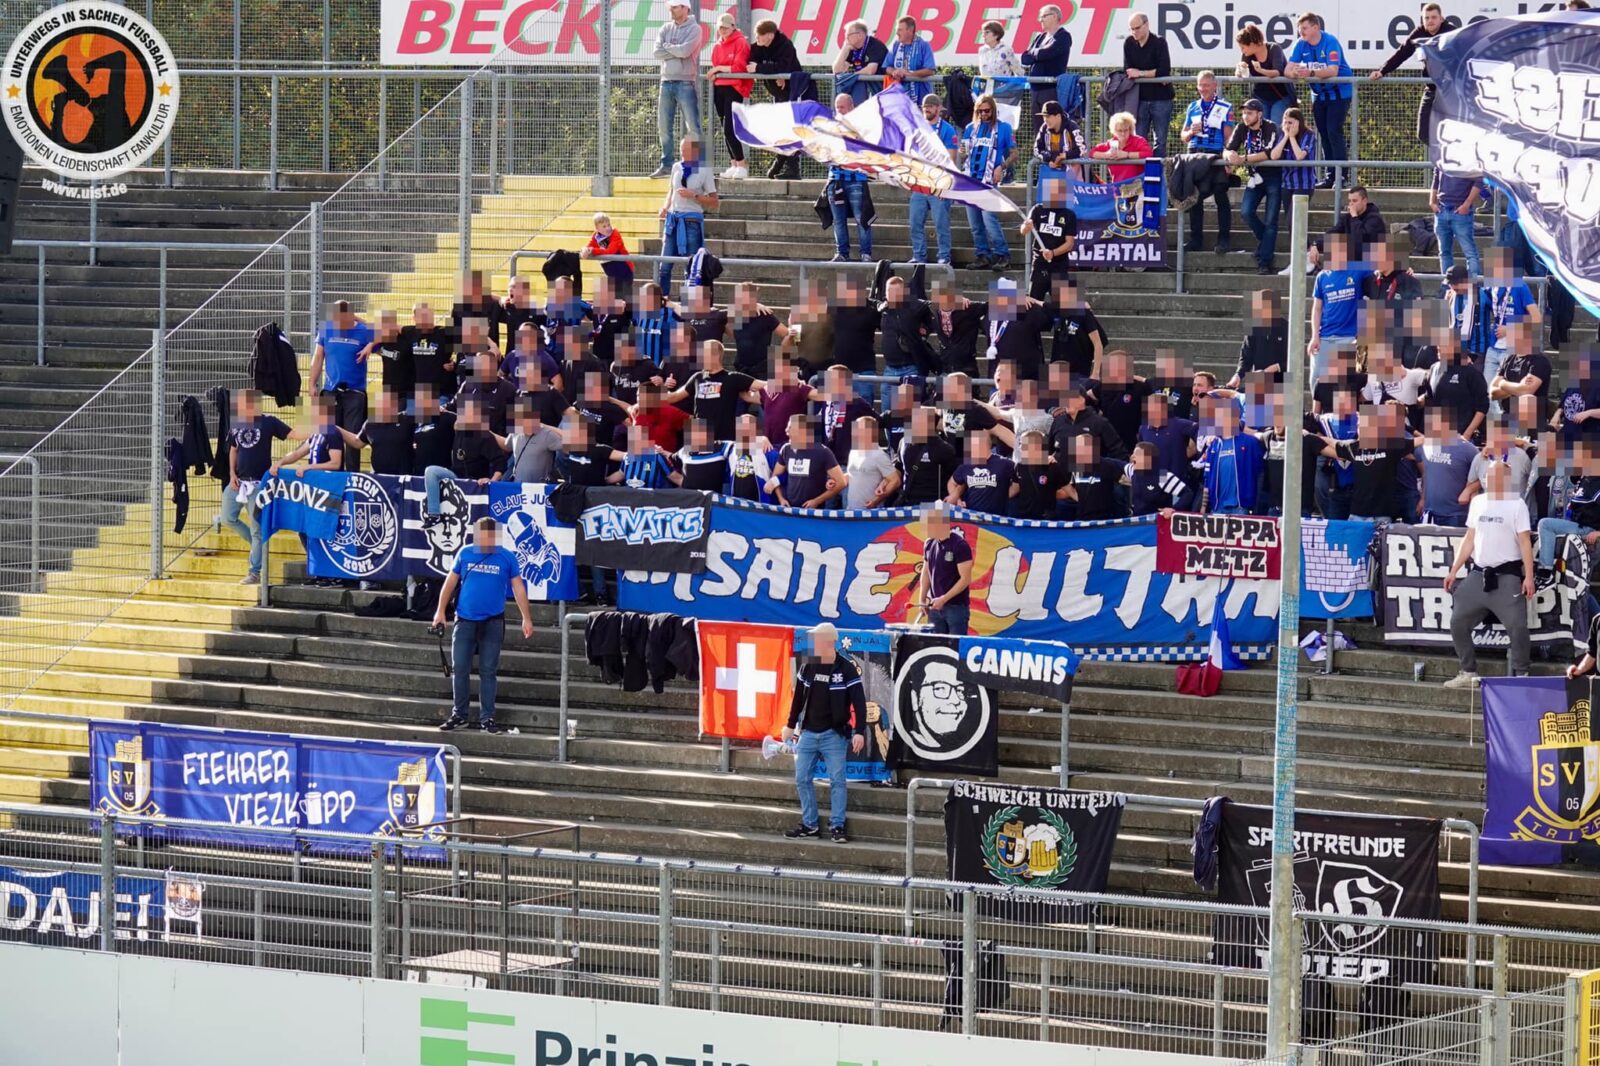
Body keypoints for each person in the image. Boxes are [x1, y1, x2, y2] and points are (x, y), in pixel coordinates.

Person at [435, 517, 534, 734]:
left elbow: (518, 588)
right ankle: (459, 714)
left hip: (493, 621)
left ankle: (487, 717)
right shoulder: (466, 553)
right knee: (459, 668)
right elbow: (450, 582)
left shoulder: (506, 557)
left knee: (488, 671)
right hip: (465, 619)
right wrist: (440, 611)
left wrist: (526, 617)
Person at [1442, 460, 1535, 688]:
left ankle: (1522, 674)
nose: (1490, 480)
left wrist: (1529, 576)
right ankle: (1468, 671)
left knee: (1518, 627)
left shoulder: (1517, 505)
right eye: (1488, 476)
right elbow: (1469, 538)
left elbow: (1525, 542)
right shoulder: (1478, 502)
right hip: (1479, 573)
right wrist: (1453, 570)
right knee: (1458, 622)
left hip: (1507, 576)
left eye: (1495, 476)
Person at [782, 621, 867, 843]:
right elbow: (798, 698)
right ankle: (810, 824)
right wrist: (791, 725)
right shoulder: (808, 666)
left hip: (835, 734)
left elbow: (859, 701)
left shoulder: (846, 668)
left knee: (837, 781)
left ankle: (837, 825)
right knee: (801, 778)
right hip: (809, 732)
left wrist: (859, 731)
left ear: (828, 642)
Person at [223, 390, 298, 586]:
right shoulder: (237, 424)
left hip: (258, 484)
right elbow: (233, 449)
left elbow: (292, 434)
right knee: (228, 518)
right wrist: (231, 473)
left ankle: (254, 571)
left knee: (257, 530)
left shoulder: (269, 421)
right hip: (237, 482)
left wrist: (317, 428)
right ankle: (259, 546)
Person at [1371, 3, 1460, 143]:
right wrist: (1382, 71)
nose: (1430, 21)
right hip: (1431, 89)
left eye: (1433, 17)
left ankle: (1450, 159)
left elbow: (1466, 53)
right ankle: (1443, 156)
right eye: (1426, 18)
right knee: (1423, 134)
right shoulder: (1419, 33)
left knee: (1454, 133)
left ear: (1441, 18)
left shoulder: (1452, 32)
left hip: (1451, 91)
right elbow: (1402, 53)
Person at [1285, 11, 1353, 189]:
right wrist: (1295, 73)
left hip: (1339, 93)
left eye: (1305, 28)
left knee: (1333, 131)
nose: (1302, 32)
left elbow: (1332, 70)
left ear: (1316, 27)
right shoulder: (1300, 44)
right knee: (1323, 133)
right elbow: (1288, 69)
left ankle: (1341, 176)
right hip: (1318, 96)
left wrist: (1311, 73)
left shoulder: (1330, 42)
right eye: (1300, 29)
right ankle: (1330, 176)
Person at [308, 301, 374, 472]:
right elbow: (318, 357)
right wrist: (311, 383)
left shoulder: (364, 331)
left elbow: (386, 330)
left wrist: (371, 344)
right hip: (330, 391)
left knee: (353, 438)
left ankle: (352, 477)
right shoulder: (326, 328)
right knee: (328, 435)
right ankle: (331, 477)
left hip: (355, 393)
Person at [1178, 71, 1235, 255]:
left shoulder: (1225, 106)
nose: (1203, 89)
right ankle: (1196, 240)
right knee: (1194, 198)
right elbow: (1184, 137)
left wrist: (1228, 158)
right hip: (1194, 154)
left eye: (1206, 85)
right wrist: (1191, 133)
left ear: (1214, 86)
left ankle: (1224, 239)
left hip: (1215, 155)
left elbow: (1229, 137)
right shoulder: (1192, 107)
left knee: (1220, 194)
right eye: (1200, 85)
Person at [960, 94, 1017, 270]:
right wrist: (962, 152)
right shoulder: (970, 128)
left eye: (987, 111)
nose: (984, 114)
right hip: (971, 179)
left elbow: (1015, 153)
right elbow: (965, 153)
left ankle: (1002, 254)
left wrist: (1002, 166)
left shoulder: (1004, 128)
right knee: (974, 222)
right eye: (980, 111)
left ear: (993, 110)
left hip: (988, 180)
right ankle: (982, 254)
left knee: (988, 217)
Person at [662, 339, 758, 443]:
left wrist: (752, 396)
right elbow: (673, 397)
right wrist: (662, 386)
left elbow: (764, 386)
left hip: (723, 442)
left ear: (716, 356)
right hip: (699, 442)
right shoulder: (697, 377)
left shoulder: (733, 378)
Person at [657, 137, 719, 299]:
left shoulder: (704, 169)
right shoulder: (677, 167)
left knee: (691, 266)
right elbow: (671, 191)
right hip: (673, 220)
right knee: (664, 265)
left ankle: (688, 303)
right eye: (682, 151)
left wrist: (695, 195)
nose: (683, 154)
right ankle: (663, 300)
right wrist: (665, 207)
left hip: (691, 220)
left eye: (687, 151)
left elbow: (714, 201)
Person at [1225, 99, 1281, 276]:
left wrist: (1243, 159)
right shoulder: (1241, 128)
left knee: (1271, 221)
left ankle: (1264, 262)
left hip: (1273, 177)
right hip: (1254, 177)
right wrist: (1230, 155)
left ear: (1259, 114)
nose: (1245, 116)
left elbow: (1269, 153)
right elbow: (1227, 149)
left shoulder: (1271, 127)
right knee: (1246, 212)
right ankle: (1265, 242)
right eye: (1244, 113)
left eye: (1249, 113)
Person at [650, 0, 704, 180]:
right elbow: (656, 52)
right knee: (664, 126)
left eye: (675, 7)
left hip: (686, 82)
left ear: (685, 7)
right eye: (670, 7)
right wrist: (676, 50)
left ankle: (696, 166)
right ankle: (666, 165)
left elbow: (685, 51)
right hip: (666, 82)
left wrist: (668, 48)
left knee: (693, 126)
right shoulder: (665, 27)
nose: (671, 10)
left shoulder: (695, 29)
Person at [1308, 234, 1372, 387]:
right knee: (1316, 381)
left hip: (1349, 337)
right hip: (1324, 337)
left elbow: (1384, 268)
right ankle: (1317, 412)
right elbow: (1317, 309)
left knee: (1347, 383)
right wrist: (1314, 336)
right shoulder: (1322, 276)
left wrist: (1404, 270)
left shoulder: (1358, 269)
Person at [748, 19, 809, 178]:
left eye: (759, 36)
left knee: (789, 129)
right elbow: (750, 62)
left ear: (769, 35)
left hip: (792, 93)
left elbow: (784, 67)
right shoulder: (758, 47)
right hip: (777, 94)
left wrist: (762, 69)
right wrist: (771, 72)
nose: (757, 39)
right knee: (780, 130)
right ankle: (783, 165)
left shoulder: (785, 45)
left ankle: (788, 167)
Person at [909, 94, 959, 266]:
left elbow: (950, 158)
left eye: (931, 105)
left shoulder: (947, 129)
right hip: (919, 183)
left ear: (939, 108)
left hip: (939, 183)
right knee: (915, 221)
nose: (927, 108)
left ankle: (944, 255)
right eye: (924, 106)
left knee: (941, 222)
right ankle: (918, 255)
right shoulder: (917, 129)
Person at [826, 93, 873, 262]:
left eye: (842, 107)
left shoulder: (860, 126)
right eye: (837, 107)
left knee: (862, 219)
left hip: (856, 179)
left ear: (851, 107)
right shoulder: (830, 127)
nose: (839, 111)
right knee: (838, 220)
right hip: (836, 178)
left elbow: (867, 150)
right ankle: (842, 252)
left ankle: (866, 253)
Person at [769, 414, 847, 508]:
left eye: (790, 428)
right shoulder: (786, 449)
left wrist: (817, 501)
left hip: (813, 514)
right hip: (790, 511)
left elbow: (841, 482)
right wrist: (781, 499)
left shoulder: (823, 452)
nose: (786, 431)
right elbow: (775, 477)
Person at [915, 505, 973, 634]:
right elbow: (926, 573)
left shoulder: (959, 545)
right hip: (935, 607)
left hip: (956, 607)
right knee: (936, 647)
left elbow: (965, 579)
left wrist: (944, 599)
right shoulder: (929, 543)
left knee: (954, 649)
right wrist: (922, 599)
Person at [1123, 12, 1174, 157]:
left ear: (1147, 25)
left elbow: (1164, 70)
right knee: (1139, 140)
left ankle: (1157, 176)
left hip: (1161, 99)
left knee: (1161, 141)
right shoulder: (1128, 43)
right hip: (1139, 100)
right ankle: (1140, 176)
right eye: (1131, 29)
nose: (1134, 32)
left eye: (1137, 28)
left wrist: (1140, 73)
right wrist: (1152, 73)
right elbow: (1128, 70)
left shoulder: (1159, 42)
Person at [708, 14, 752, 180]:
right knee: (723, 126)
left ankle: (741, 164)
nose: (722, 30)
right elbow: (716, 68)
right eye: (720, 27)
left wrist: (719, 68)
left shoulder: (741, 42)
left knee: (730, 128)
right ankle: (734, 163)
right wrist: (718, 70)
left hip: (735, 87)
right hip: (719, 87)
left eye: (725, 27)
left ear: (733, 26)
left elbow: (739, 66)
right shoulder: (717, 45)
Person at [1419, 407, 1479, 525]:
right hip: (1430, 513)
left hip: (1456, 515)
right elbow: (1426, 472)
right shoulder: (1426, 446)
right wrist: (1422, 498)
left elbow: (1486, 474)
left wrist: (1469, 490)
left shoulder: (1468, 449)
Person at [1021, 176, 1077, 301]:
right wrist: (1027, 226)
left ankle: (1064, 321)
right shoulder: (1037, 209)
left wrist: (1053, 253)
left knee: (1067, 304)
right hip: (1040, 264)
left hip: (1059, 266)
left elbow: (1069, 243)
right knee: (1034, 302)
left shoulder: (1069, 215)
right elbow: (1023, 231)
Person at [339, 387, 414, 479]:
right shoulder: (371, 424)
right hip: (378, 478)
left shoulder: (406, 420)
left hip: (403, 478)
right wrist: (336, 429)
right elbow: (357, 442)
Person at [1430, 164, 1484, 282]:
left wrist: (1466, 204)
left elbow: (1480, 180)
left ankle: (1472, 287)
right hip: (1442, 209)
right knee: (1445, 253)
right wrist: (1432, 202)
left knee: (1469, 253)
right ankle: (1447, 287)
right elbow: (1436, 178)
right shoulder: (1442, 154)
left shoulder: (1470, 157)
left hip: (1459, 210)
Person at [897, 406, 961, 505]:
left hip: (933, 505)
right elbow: (899, 466)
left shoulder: (944, 449)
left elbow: (959, 477)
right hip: (907, 503)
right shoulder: (904, 442)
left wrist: (956, 495)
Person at [1234, 23, 1295, 125]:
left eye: (1243, 47)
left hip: (1280, 97)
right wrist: (1239, 70)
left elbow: (1277, 72)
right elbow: (1241, 74)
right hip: (1260, 97)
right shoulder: (1247, 55)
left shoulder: (1274, 49)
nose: (1242, 51)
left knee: (1275, 127)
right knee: (1261, 128)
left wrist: (1261, 70)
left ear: (1252, 44)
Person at [948, 428, 1015, 515]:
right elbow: (951, 482)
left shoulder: (1004, 463)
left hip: (996, 519)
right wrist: (957, 499)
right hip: (971, 517)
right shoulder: (966, 466)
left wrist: (1005, 495)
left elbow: (1018, 482)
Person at [1021, 5, 1073, 114]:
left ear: (1054, 16)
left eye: (1044, 16)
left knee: (1052, 126)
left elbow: (1047, 54)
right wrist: (1038, 53)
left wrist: (1035, 53)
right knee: (1038, 127)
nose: (1040, 20)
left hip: (1051, 89)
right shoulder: (1040, 37)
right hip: (1035, 89)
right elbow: (1025, 58)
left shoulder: (1063, 36)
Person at [845, 416, 900, 509]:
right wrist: (836, 480)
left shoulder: (879, 455)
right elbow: (853, 474)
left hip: (870, 513)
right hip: (851, 510)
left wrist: (876, 501)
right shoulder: (853, 451)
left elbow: (895, 481)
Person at [1269, 106, 1319, 203]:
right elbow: (1274, 156)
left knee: (1295, 217)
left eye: (1290, 123)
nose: (1287, 126)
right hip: (1287, 184)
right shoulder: (1282, 134)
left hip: (1304, 184)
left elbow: (1299, 156)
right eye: (1285, 122)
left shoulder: (1309, 135)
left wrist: (1292, 137)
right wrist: (1286, 137)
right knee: (1289, 215)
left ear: (1298, 122)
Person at [1089, 111, 1151, 187]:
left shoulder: (1138, 140)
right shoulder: (1110, 144)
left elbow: (1148, 153)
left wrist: (1127, 155)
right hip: (1118, 188)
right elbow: (1092, 152)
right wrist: (1106, 155)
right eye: (1120, 130)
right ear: (1114, 130)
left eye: (1126, 130)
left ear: (1130, 129)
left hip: (1138, 187)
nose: (1123, 133)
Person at [833, 20, 887, 106]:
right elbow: (837, 70)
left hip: (880, 90)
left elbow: (870, 70)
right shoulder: (851, 48)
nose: (846, 39)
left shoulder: (875, 45)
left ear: (860, 35)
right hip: (864, 90)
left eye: (848, 35)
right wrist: (844, 49)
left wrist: (853, 76)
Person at [507, 401, 563, 484]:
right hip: (518, 489)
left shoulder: (548, 435)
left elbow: (575, 442)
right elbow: (506, 445)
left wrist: (545, 426)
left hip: (540, 490)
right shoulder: (514, 433)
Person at [884, 17, 936, 101]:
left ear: (910, 31)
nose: (897, 33)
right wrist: (895, 72)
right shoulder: (895, 45)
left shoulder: (924, 45)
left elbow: (930, 70)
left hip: (921, 98)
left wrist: (909, 74)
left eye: (900, 30)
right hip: (900, 98)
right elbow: (887, 67)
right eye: (897, 30)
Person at [1033, 99, 1084, 183]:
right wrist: (1050, 158)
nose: (1045, 120)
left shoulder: (1072, 126)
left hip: (1072, 176)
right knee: (1052, 196)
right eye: (1044, 116)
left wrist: (1065, 156)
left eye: (1048, 116)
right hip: (1052, 175)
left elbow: (1081, 149)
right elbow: (1037, 149)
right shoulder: (1044, 127)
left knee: (1068, 195)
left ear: (1058, 116)